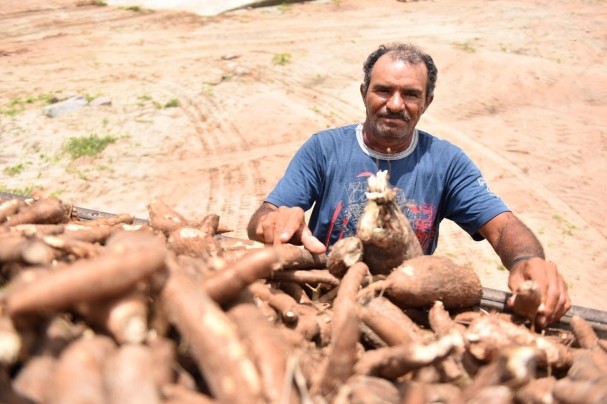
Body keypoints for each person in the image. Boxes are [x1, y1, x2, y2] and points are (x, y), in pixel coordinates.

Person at [247, 42, 570, 327]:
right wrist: (271, 221)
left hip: (406, 306)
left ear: (427, 101)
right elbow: (266, 214)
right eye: (383, 90)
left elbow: (502, 227)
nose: (396, 104)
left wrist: (526, 261)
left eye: (411, 94)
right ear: (364, 93)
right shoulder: (324, 149)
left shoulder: (446, 162)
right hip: (318, 296)